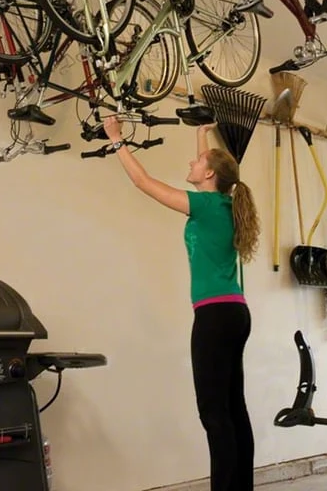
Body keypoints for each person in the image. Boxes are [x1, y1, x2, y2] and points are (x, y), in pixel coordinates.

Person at [103, 116, 260, 491]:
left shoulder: (205, 205)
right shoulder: (224, 203)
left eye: (198, 161)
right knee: (233, 407)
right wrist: (200, 135)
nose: (192, 162)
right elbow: (211, 172)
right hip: (235, 312)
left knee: (213, 412)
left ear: (210, 174)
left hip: (214, 316)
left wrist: (116, 140)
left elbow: (143, 183)